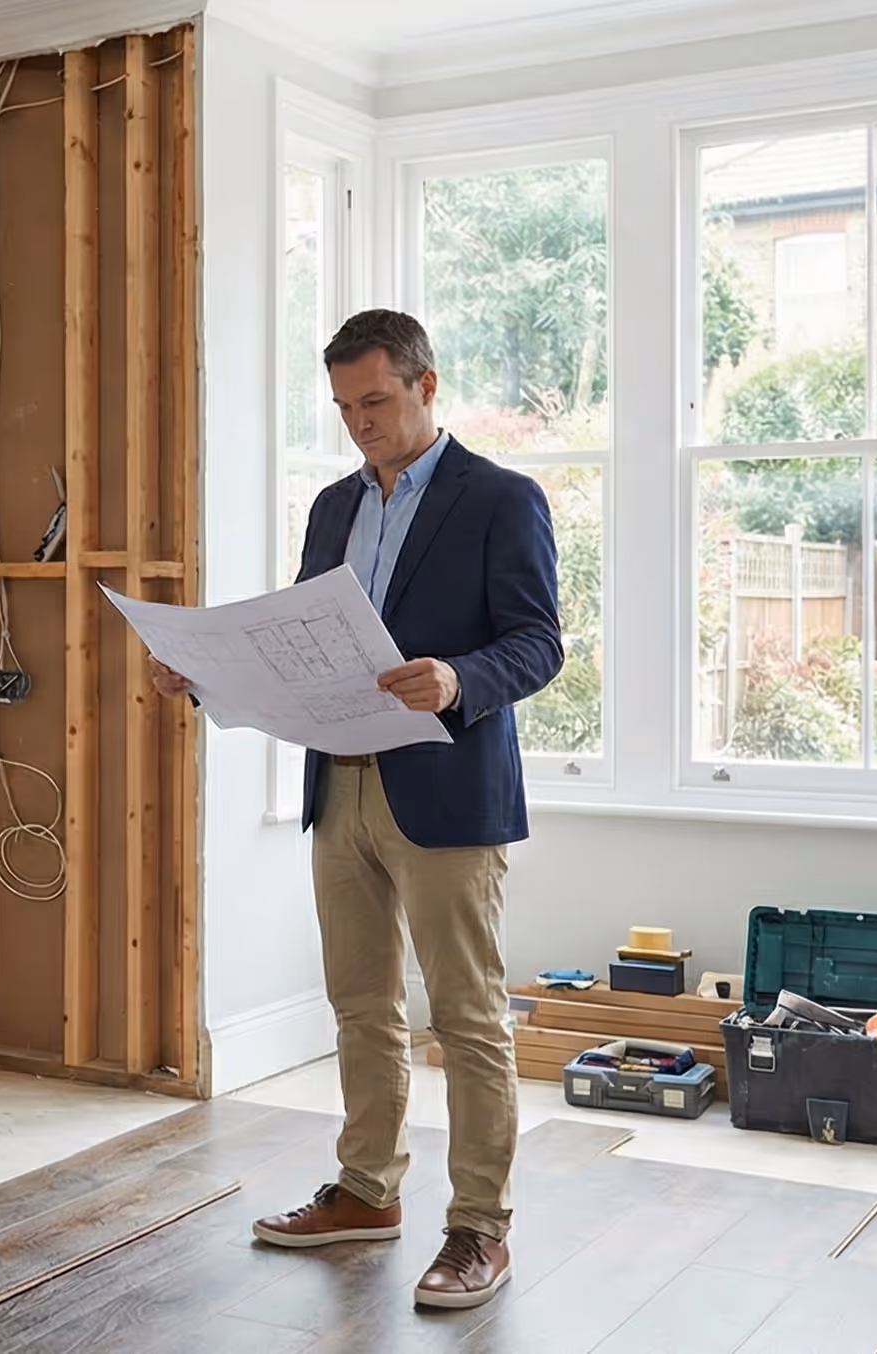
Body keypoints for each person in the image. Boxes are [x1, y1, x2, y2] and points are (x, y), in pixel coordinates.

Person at [151, 309, 562, 1310]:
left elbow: (539, 641)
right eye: (343, 407)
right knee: (360, 1002)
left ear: (427, 385)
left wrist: (457, 679)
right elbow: (297, 643)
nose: (360, 423)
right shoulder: (335, 506)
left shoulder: (502, 499)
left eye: (376, 401)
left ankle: (478, 1229)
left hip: (447, 788)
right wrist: (207, 679)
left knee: (466, 1015)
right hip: (341, 784)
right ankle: (368, 1192)